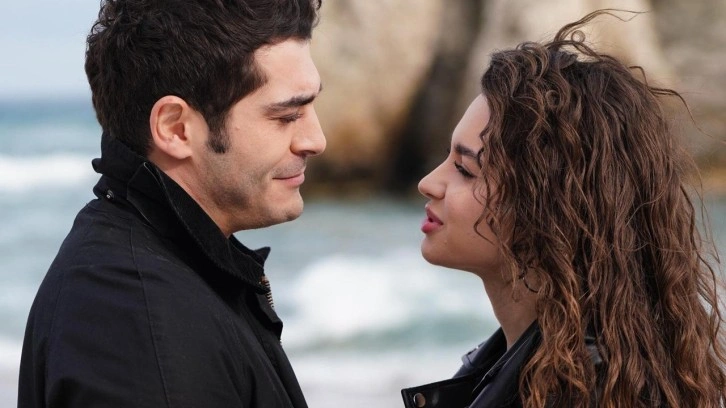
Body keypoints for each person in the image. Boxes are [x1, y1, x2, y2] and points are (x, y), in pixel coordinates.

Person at [402, 10, 726, 408]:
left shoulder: (585, 392)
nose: (428, 183)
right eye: (447, 159)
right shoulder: (532, 370)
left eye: (465, 170)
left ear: (547, 207)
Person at [18, 0, 325, 407]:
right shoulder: (135, 322)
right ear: (176, 128)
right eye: (286, 116)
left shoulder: (173, 275)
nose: (316, 140)